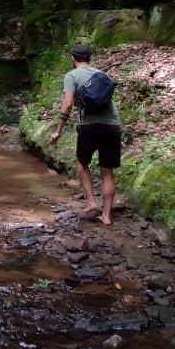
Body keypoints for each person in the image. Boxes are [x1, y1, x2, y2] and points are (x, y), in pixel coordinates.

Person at [49, 44, 121, 225]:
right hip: (112, 126)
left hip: (89, 127)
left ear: (73, 58)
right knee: (107, 171)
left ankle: (92, 203)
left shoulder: (72, 75)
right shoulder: (102, 75)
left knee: (82, 163)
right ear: (90, 58)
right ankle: (106, 216)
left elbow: (67, 105)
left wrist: (58, 131)